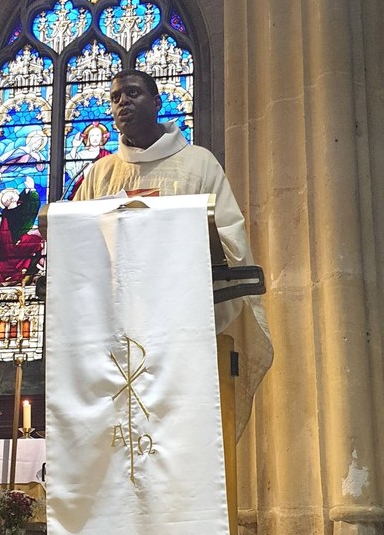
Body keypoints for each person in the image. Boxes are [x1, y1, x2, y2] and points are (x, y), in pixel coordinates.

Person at [74, 68, 272, 433]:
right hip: (114, 340)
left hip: (183, 331)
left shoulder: (198, 162)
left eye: (133, 93)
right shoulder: (100, 174)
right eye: (115, 98)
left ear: (157, 102)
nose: (123, 102)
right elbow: (77, 245)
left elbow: (230, 238)